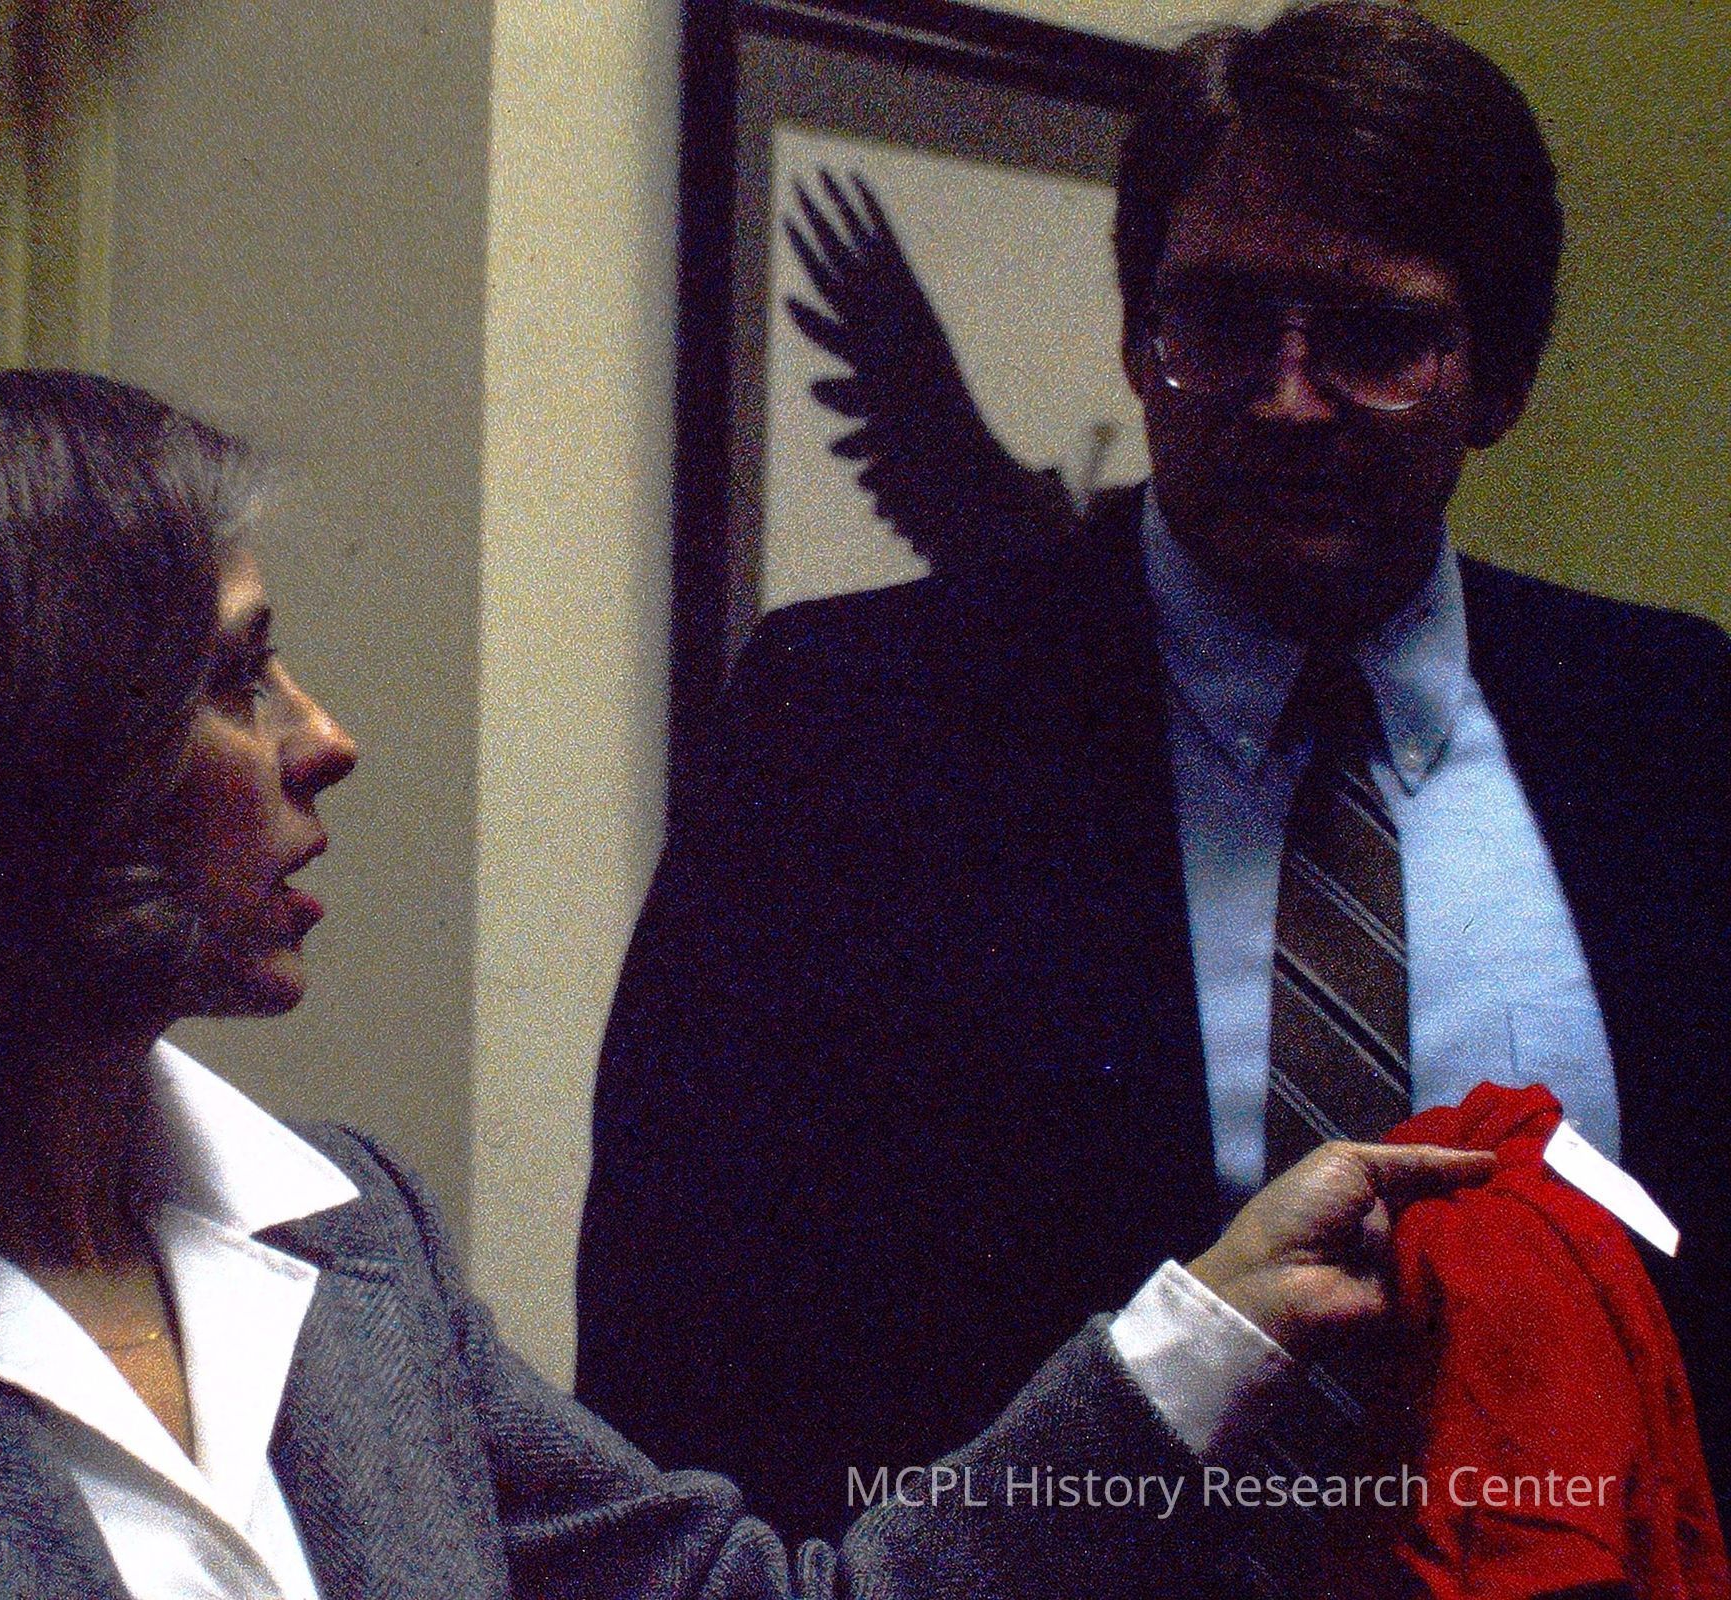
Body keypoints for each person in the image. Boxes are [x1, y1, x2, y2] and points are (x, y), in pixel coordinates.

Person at [0, 367, 1487, 1599]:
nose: (324, 738)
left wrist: (1202, 1333)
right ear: (0, 762)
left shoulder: (353, 1241)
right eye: (233, 678)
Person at [578, 0, 1729, 1544]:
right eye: (1221, 323)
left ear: (1503, 376)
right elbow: (678, 1381)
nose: (1287, 398)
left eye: (1373, 337)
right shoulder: (853, 732)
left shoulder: (1671, 726)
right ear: (1137, 338)